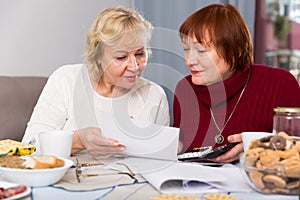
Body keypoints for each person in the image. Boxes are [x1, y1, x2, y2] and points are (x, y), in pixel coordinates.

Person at [22, 7, 170, 157]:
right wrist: (78, 140)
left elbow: (159, 161)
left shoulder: (154, 95)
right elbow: (28, 149)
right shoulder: (66, 80)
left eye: (140, 54)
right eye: (121, 57)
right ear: (98, 56)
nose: (134, 67)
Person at [173, 4, 300, 163]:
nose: (189, 61)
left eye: (201, 51)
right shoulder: (184, 90)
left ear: (236, 50)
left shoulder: (280, 84)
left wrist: (258, 145)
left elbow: (296, 149)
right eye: (186, 49)